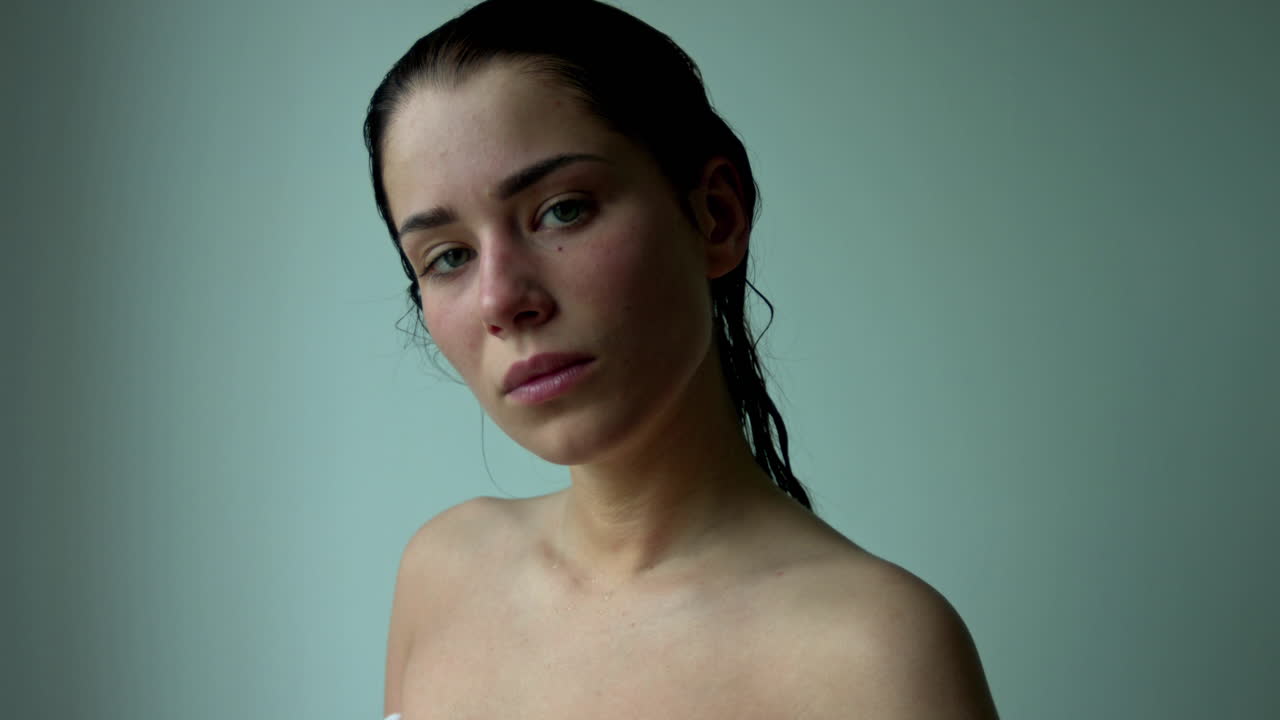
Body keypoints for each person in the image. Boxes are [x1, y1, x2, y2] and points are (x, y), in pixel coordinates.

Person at [363, 1, 999, 717]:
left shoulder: (873, 656)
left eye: (562, 209)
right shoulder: (442, 572)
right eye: (448, 256)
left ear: (715, 216)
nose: (502, 300)